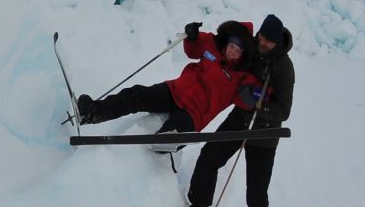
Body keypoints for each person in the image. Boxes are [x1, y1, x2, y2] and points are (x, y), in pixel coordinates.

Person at [181, 13, 296, 207]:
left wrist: (259, 105)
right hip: (240, 119)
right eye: (261, 37)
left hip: (265, 133)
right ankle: (199, 203)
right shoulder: (252, 49)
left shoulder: (284, 68)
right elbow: (226, 54)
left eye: (267, 41)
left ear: (277, 42)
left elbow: (283, 111)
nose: (262, 42)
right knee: (209, 156)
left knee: (256, 190)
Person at [76, 19, 261, 138]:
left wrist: (259, 92)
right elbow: (192, 50)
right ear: (227, 42)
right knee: (136, 94)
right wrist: (193, 36)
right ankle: (94, 111)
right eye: (232, 46)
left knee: (173, 132)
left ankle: (164, 146)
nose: (232, 52)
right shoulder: (212, 45)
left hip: (194, 114)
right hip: (175, 90)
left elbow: (249, 100)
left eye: (238, 50)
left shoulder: (242, 77)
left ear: (243, 54)